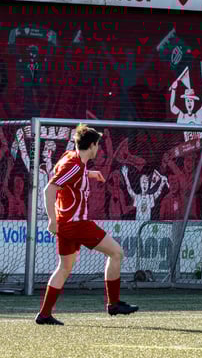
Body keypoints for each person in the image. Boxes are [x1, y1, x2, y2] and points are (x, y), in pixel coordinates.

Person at [35, 124, 138, 325]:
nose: (98, 148)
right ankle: (114, 304)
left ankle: (44, 315)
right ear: (91, 146)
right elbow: (49, 189)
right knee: (116, 253)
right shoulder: (74, 166)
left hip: (67, 224)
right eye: (97, 145)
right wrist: (51, 220)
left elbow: (61, 173)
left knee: (64, 268)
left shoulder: (70, 158)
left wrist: (89, 174)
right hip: (77, 224)